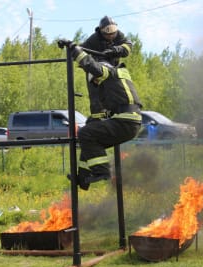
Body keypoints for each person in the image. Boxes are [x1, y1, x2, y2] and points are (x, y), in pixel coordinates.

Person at [58, 40, 142, 190]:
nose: (96, 82)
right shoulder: (117, 77)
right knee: (90, 138)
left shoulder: (108, 71)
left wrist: (74, 49)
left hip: (126, 121)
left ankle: (102, 171)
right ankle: (83, 179)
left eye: (96, 79)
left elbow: (91, 65)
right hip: (128, 121)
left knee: (86, 134)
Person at [81, 16, 133, 116]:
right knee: (96, 97)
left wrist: (115, 50)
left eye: (113, 34)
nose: (111, 37)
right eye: (108, 35)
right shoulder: (94, 39)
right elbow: (81, 50)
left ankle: (115, 116)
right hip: (96, 72)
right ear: (101, 32)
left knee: (117, 94)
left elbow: (128, 46)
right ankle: (98, 120)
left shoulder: (119, 35)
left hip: (112, 71)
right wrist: (71, 48)